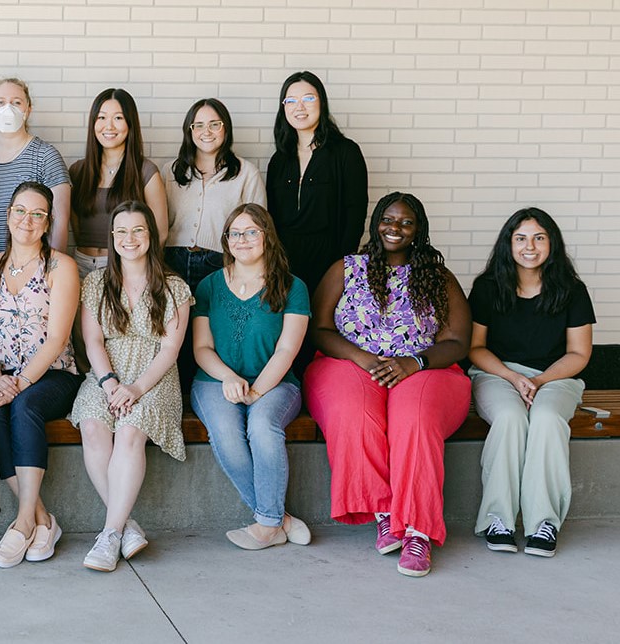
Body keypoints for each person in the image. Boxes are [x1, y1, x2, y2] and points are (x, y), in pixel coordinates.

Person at [304, 192, 471, 578]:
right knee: (352, 411)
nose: (395, 228)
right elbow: (320, 328)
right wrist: (362, 359)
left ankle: (417, 531)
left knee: (414, 420)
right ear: (376, 222)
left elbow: (458, 342)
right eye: (388, 219)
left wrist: (413, 362)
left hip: (425, 368)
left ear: (418, 231)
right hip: (350, 361)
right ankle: (386, 511)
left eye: (406, 222)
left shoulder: (436, 277)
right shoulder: (347, 269)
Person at [68, 200, 191, 572]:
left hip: (153, 377)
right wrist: (109, 384)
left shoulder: (174, 288)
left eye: (138, 230)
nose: (129, 238)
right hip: (107, 373)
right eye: (121, 231)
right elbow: (92, 342)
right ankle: (126, 526)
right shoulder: (95, 283)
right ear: (112, 237)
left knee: (130, 430)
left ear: (151, 235)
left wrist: (135, 389)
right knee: (92, 425)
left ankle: (108, 536)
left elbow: (170, 349)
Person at [469, 208, 595, 558]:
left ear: (551, 244)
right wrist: (513, 377)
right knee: (510, 419)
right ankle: (499, 519)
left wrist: (538, 380)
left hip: (556, 376)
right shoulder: (488, 287)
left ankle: (544, 522)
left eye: (539, 238)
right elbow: (475, 348)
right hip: (497, 374)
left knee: (545, 419)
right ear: (508, 244)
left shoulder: (572, 290)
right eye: (520, 238)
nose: (530, 246)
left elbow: (579, 354)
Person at [189, 204, 313, 552]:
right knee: (227, 433)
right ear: (226, 241)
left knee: (262, 428)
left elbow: (287, 350)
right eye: (235, 233)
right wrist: (229, 378)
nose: (242, 240)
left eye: (251, 232)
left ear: (266, 236)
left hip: (276, 382)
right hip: (214, 380)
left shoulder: (293, 286)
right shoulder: (209, 286)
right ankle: (278, 520)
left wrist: (258, 390)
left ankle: (266, 526)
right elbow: (201, 347)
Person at [0, 182, 82, 569]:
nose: (28, 220)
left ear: (48, 222)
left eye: (38, 214)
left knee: (23, 406)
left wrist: (18, 384)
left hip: (54, 376)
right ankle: (41, 518)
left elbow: (57, 339)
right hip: (2, 376)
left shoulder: (61, 267)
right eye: (21, 211)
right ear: (8, 215)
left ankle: (21, 523)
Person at [265, 71, 369, 294]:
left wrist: (341, 266)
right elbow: (271, 217)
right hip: (285, 266)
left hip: (330, 262)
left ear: (322, 102)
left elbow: (355, 214)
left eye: (308, 99)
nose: (299, 107)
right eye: (291, 101)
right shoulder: (279, 160)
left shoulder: (346, 152)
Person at [163, 98, 265, 293]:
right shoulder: (170, 171)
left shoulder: (246, 173)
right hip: (172, 261)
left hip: (221, 262)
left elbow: (258, 229)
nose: (206, 132)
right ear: (189, 130)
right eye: (198, 125)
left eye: (214, 125)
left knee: (211, 322)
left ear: (225, 128)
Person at [0, 78, 71, 261]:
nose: (8, 108)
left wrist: (51, 270)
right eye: (0, 102)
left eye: (16, 102)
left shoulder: (46, 157)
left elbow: (59, 222)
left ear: (28, 109)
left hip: (29, 275)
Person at [69, 88, 169, 280]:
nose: (109, 126)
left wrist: (134, 266)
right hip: (81, 263)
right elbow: (75, 223)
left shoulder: (146, 171)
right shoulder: (78, 171)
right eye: (102, 118)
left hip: (123, 266)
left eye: (118, 118)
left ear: (130, 123)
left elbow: (161, 233)